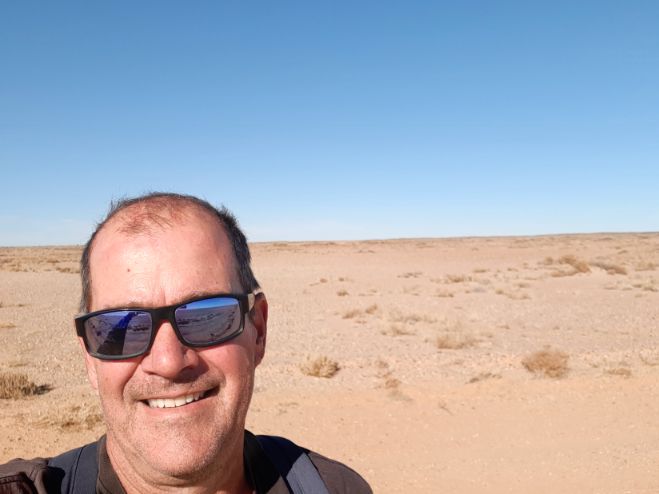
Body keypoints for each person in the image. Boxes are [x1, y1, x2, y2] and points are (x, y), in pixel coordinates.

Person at [0, 192, 372, 494]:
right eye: (122, 327)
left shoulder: (333, 487)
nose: (167, 361)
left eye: (205, 315)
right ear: (89, 358)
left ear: (258, 329)